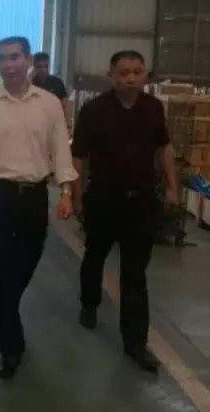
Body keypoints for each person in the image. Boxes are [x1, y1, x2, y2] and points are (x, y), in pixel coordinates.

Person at [0, 36, 76, 380]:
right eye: (2, 58)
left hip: (34, 196)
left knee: (26, 263)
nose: (8, 64)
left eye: (14, 57)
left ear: (28, 60)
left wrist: (66, 190)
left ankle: (6, 310)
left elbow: (61, 148)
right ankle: (9, 347)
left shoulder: (49, 103)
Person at [72, 50, 178, 374]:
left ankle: (135, 343)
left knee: (135, 273)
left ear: (144, 74)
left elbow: (163, 147)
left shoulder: (153, 108)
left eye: (136, 72)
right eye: (123, 72)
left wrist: (172, 186)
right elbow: (78, 155)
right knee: (95, 255)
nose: (130, 78)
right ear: (111, 75)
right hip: (103, 199)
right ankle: (89, 303)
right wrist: (76, 195)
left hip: (141, 202)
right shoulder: (94, 111)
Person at [31, 52, 71, 128]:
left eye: (46, 66)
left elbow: (65, 104)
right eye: (39, 67)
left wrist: (68, 124)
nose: (43, 70)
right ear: (34, 67)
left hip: (54, 122)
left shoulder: (56, 82)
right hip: (34, 123)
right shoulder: (29, 83)